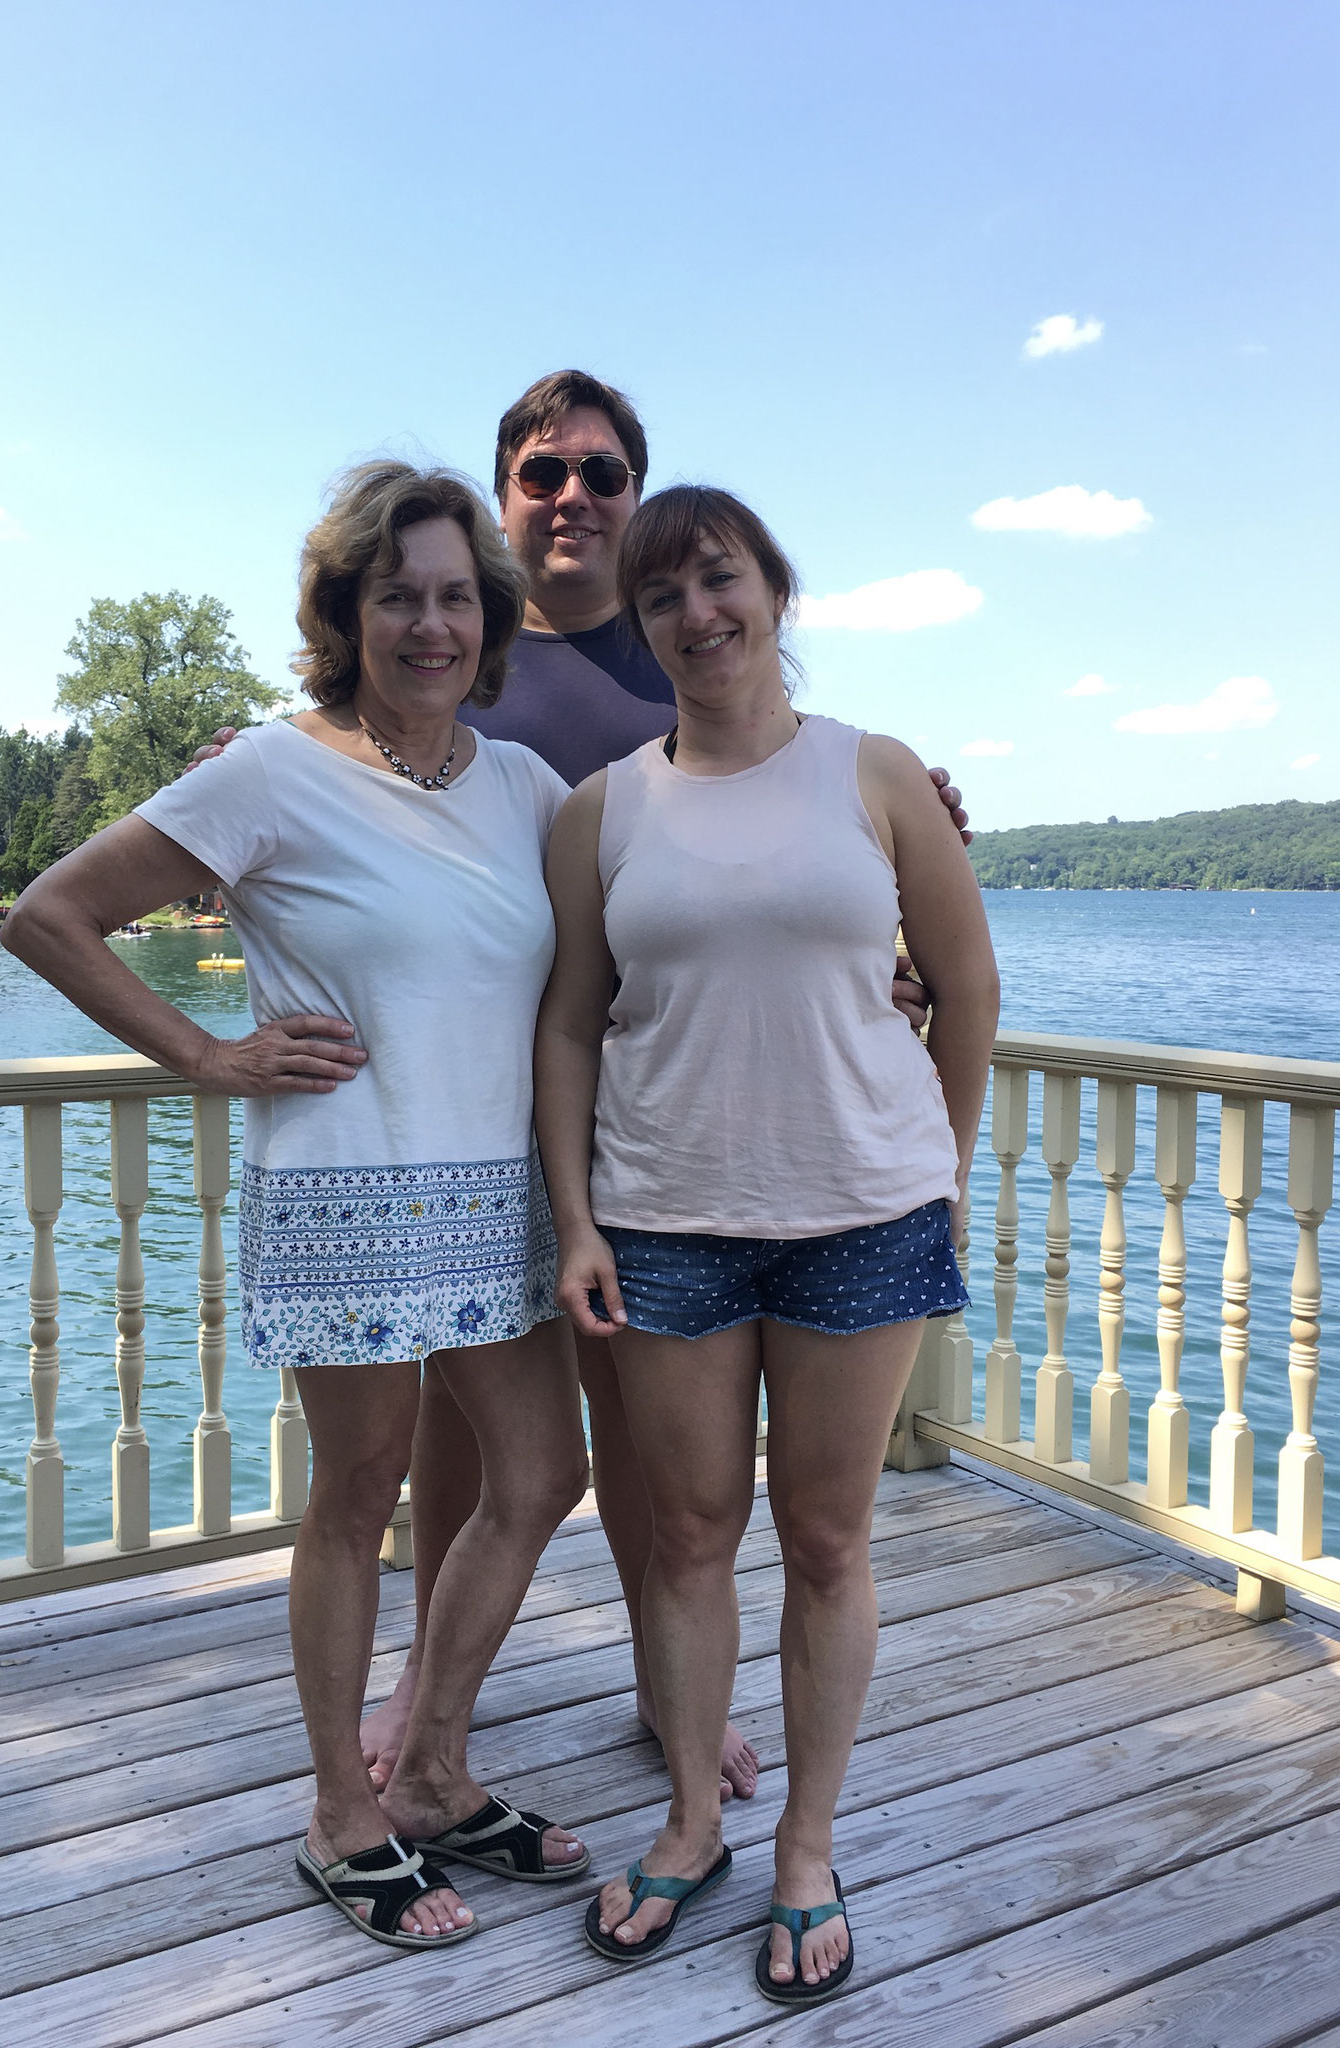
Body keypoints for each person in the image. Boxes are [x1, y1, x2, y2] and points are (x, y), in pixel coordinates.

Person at [192, 370, 974, 1810]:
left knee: (636, 1461)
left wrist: (899, 870)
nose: (576, 498)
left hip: (655, 1132)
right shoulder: (469, 653)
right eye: (545, 473)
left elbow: (789, 825)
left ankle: (658, 1698)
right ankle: (433, 1707)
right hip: (462, 1126)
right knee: (450, 1448)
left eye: (604, 475)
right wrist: (233, 785)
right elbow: (356, 772)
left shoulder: (669, 654)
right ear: (505, 500)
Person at [2, 461, 591, 1955]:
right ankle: (342, 1810)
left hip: (496, 1195)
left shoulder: (525, 790)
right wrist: (206, 1051)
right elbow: (50, 915)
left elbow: (654, 920)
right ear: (347, 608)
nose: (432, 623)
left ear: (490, 613)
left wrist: (888, 874)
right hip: (344, 1190)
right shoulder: (269, 770)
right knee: (358, 1496)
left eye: (458, 595)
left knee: (538, 1475)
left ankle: (439, 1766)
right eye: (399, 594)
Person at [534, 485, 999, 2006]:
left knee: (825, 1540)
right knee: (679, 1535)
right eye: (661, 598)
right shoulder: (602, 809)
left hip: (858, 1214)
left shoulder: (873, 779)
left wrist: (942, 1164)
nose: (695, 617)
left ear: (773, 592)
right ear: (641, 621)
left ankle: (805, 1843)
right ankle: (686, 1822)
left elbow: (967, 986)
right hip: (664, 1221)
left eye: (718, 582)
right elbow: (566, 1022)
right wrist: (579, 1218)